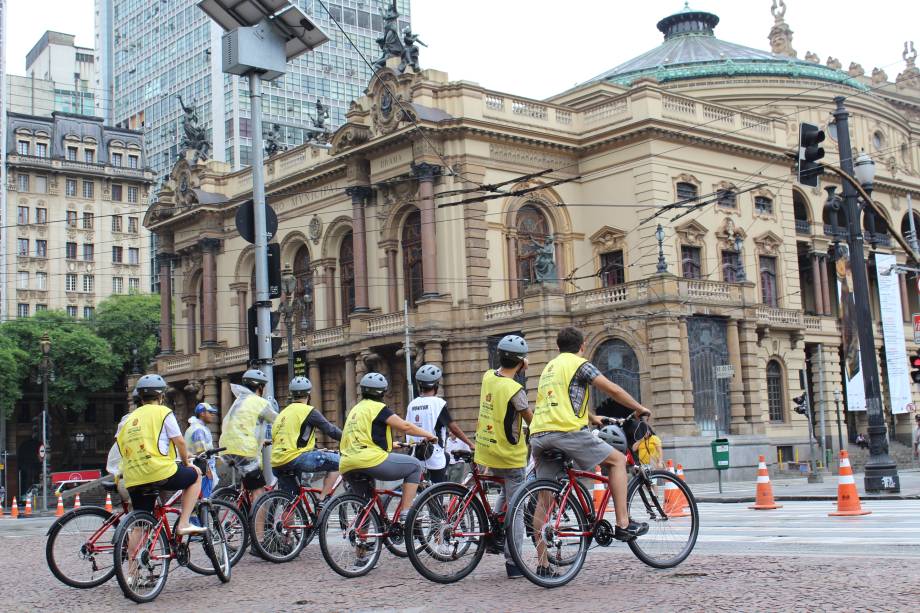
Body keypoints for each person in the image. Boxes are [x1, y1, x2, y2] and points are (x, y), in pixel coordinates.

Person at [530, 327, 652, 552]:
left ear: (559, 347)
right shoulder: (579, 364)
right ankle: (623, 523)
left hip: (538, 435)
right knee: (617, 461)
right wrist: (639, 407)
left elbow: (560, 401)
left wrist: (593, 418)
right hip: (566, 432)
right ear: (583, 346)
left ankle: (542, 564)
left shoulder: (550, 368)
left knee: (544, 499)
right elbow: (613, 390)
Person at [339, 372, 436, 524]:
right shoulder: (378, 407)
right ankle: (406, 513)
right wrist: (429, 435)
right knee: (414, 466)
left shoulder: (355, 410)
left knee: (366, 506)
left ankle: (362, 544)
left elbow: (364, 437)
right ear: (382, 392)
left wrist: (392, 445)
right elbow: (405, 426)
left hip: (347, 463)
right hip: (369, 460)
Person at [473, 334, 533, 579]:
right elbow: (532, 420)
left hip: (487, 450)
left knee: (504, 494)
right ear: (520, 362)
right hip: (510, 454)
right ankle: (514, 562)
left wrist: (517, 364)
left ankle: (496, 535)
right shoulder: (515, 389)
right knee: (517, 507)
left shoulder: (488, 377)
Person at [116, 374, 204, 535]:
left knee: (140, 525)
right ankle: (184, 523)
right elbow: (180, 442)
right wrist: (186, 463)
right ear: (161, 395)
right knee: (196, 475)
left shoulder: (127, 420)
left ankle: (131, 561)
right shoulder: (163, 412)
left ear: (141, 397)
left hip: (133, 476)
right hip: (159, 471)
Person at [271, 376, 342, 501]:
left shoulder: (282, 413)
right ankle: (323, 501)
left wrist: (315, 449)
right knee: (341, 462)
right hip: (296, 458)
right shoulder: (309, 411)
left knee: (290, 501)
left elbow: (286, 438)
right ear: (309, 395)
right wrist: (350, 438)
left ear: (292, 395)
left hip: (277, 462)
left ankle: (287, 519)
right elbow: (331, 430)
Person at [405, 364, 475, 483]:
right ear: (436, 385)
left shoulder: (412, 404)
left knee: (420, 490)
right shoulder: (438, 403)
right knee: (438, 491)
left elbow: (407, 428)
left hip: (415, 454)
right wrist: (470, 444)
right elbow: (453, 428)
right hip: (433, 456)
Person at [219, 369, 278, 504]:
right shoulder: (260, 402)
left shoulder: (238, 401)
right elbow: (279, 421)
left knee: (247, 483)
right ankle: (258, 525)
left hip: (225, 449)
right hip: (243, 449)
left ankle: (241, 515)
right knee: (259, 492)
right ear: (260, 387)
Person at [186, 403, 219, 499]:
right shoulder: (198, 430)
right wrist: (208, 470)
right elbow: (201, 453)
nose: (213, 415)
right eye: (210, 412)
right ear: (202, 413)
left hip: (198, 468)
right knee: (203, 501)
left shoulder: (198, 427)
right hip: (202, 470)